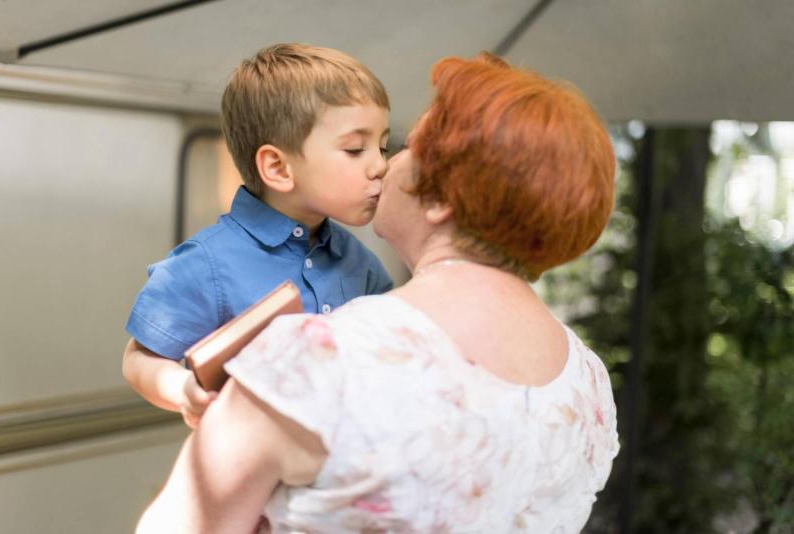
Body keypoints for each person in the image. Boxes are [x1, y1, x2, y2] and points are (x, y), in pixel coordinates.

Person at [137, 52, 620, 533]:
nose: (384, 166)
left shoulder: (313, 362)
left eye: (403, 145)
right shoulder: (589, 383)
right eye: (359, 149)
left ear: (440, 199)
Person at [122, 43, 393, 428]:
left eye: (382, 147)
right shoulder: (207, 263)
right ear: (278, 168)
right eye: (355, 149)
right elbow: (139, 358)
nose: (380, 166)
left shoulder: (360, 262)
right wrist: (183, 390)